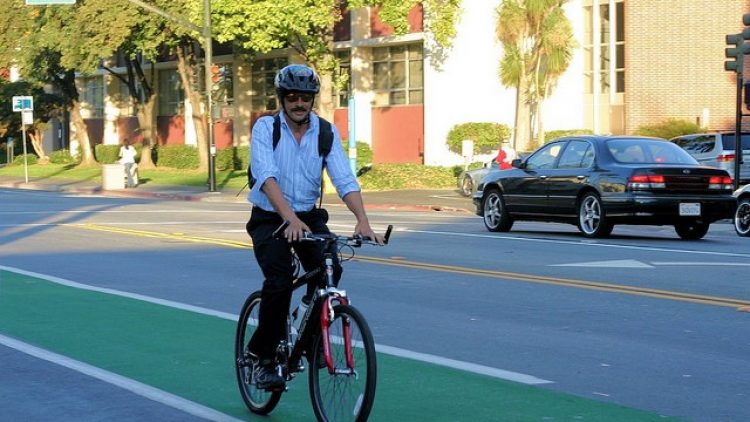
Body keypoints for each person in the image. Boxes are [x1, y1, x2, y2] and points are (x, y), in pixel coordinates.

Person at [245, 64, 383, 390]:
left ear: (312, 100)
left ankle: (309, 337)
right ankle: (263, 357)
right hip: (270, 216)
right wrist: (289, 219)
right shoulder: (266, 128)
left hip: (307, 215)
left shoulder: (325, 132)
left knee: (330, 268)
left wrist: (362, 220)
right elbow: (266, 177)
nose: (299, 103)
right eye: (292, 97)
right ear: (282, 98)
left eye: (305, 97)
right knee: (279, 280)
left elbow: (343, 178)